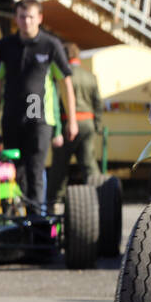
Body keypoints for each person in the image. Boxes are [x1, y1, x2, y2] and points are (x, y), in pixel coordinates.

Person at [0, 0, 77, 208]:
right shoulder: (5, 45)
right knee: (13, 171)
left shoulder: (51, 45)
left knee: (35, 171)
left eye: (30, 17)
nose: (26, 21)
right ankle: (11, 224)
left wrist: (71, 120)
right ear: (16, 19)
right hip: (12, 118)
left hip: (40, 118)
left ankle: (37, 229)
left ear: (39, 18)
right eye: (21, 17)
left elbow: (66, 83)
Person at [48, 41, 102, 210]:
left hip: (66, 123)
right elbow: (98, 103)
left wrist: (55, 129)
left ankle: (55, 202)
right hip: (87, 124)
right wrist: (97, 125)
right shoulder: (90, 76)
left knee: (60, 166)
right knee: (89, 164)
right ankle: (100, 196)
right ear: (78, 56)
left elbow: (55, 102)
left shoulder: (61, 76)